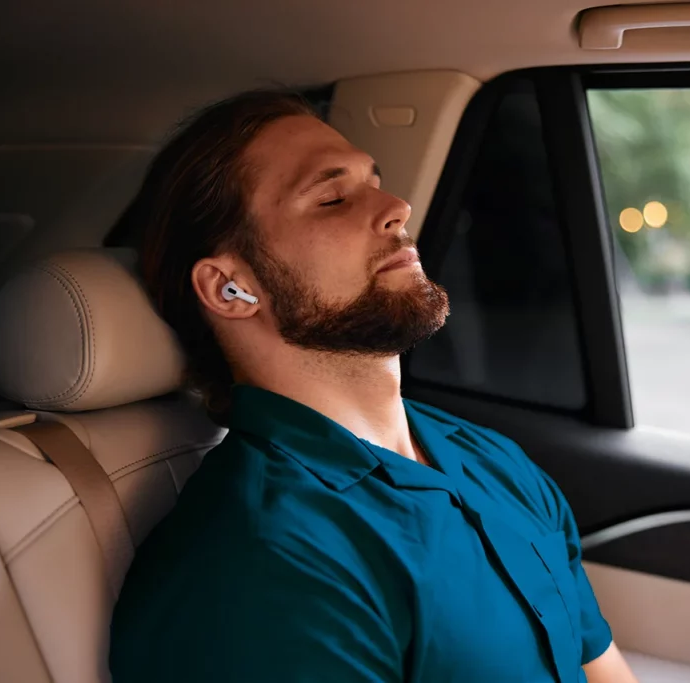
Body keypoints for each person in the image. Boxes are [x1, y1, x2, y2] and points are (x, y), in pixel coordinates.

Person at [109, 89, 637, 683]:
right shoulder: (260, 564)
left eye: (375, 182)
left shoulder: (491, 461)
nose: (397, 206)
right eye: (332, 197)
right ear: (231, 286)